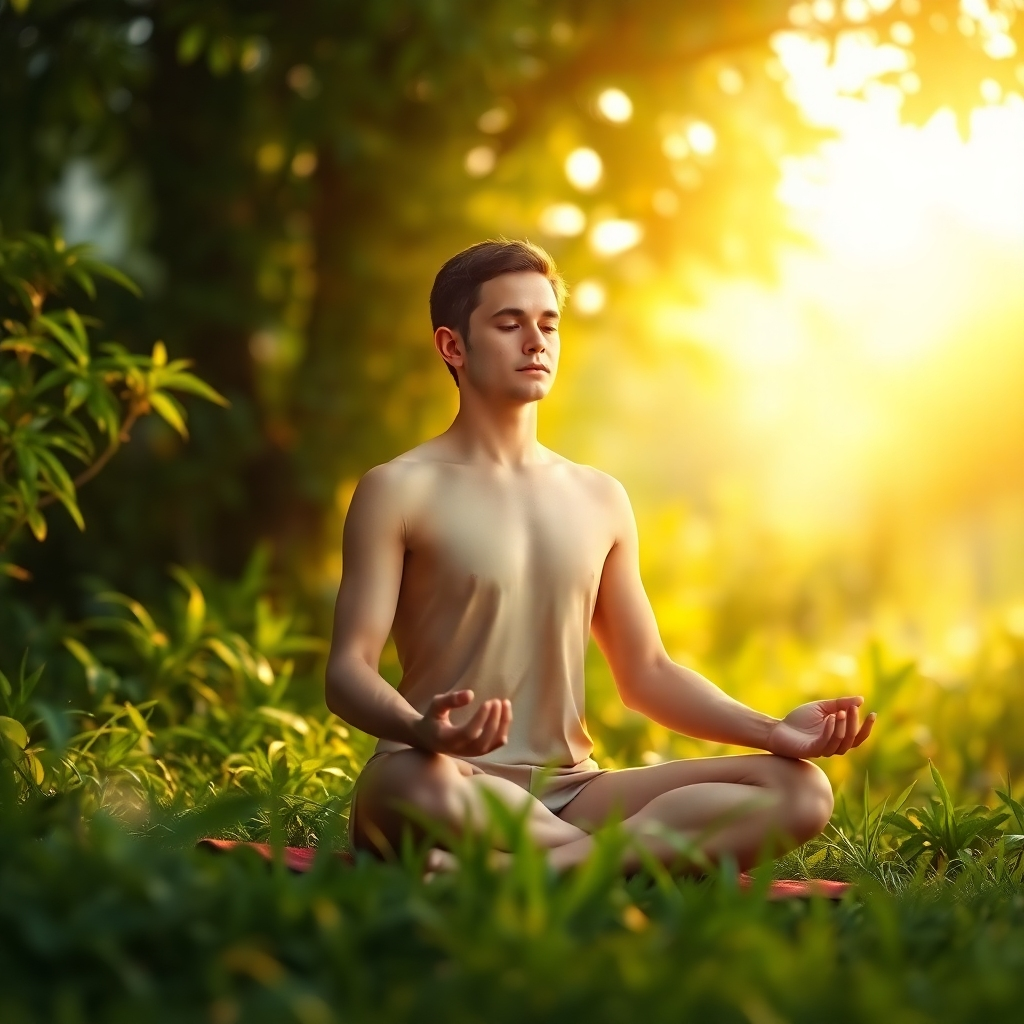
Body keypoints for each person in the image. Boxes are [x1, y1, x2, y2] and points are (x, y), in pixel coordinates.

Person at [324, 239, 875, 874]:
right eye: (509, 324)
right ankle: (627, 857)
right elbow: (348, 672)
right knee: (403, 787)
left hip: (574, 794)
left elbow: (647, 674)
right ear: (452, 346)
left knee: (801, 789)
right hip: (449, 777)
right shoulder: (399, 488)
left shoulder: (599, 497)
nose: (536, 341)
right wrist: (423, 732)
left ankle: (531, 869)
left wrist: (773, 731)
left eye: (548, 324)